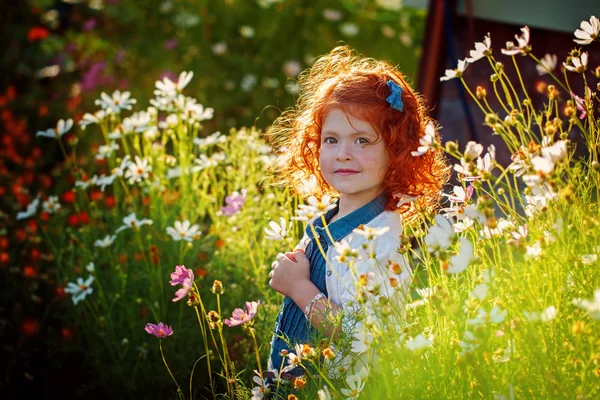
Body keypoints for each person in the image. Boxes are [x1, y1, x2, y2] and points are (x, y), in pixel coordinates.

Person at [264, 45, 449, 381]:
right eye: (331, 139)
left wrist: (298, 287)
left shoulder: (383, 242)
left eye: (362, 141)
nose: (343, 154)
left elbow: (361, 334)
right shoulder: (327, 221)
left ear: (397, 151)